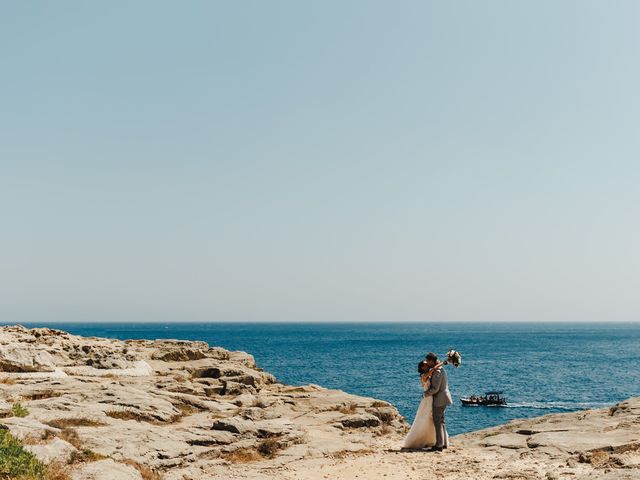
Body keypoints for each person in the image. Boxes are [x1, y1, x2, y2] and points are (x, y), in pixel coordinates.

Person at [402, 360, 436, 449]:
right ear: (422, 367)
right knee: (425, 417)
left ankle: (431, 439)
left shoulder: (427, 374)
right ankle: (421, 439)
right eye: (425, 364)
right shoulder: (424, 376)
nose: (427, 365)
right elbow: (434, 369)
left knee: (430, 418)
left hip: (429, 397)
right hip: (427, 399)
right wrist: (444, 362)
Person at [422, 352, 453, 451]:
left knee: (437, 422)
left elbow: (435, 389)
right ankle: (443, 443)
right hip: (443, 398)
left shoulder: (438, 371)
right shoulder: (438, 370)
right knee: (441, 421)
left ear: (431, 361)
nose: (427, 363)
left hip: (440, 399)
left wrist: (425, 394)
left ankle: (439, 445)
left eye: (428, 361)